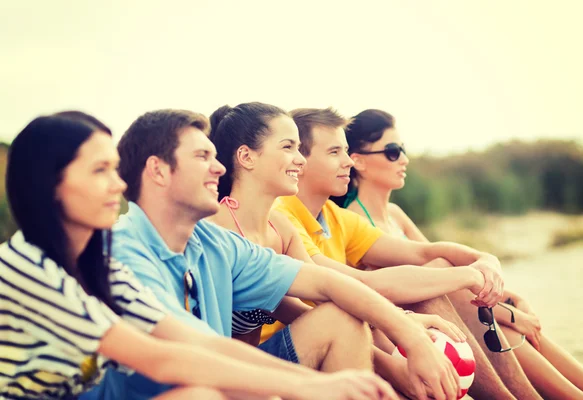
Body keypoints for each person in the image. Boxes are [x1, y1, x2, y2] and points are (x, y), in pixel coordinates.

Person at [88, 108, 460, 400]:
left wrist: (408, 335)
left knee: (340, 319)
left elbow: (329, 283)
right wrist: (306, 386)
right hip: (183, 386)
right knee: (201, 395)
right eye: (203, 156)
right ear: (158, 170)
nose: (219, 168)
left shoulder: (214, 243)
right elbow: (192, 353)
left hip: (223, 377)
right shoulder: (121, 252)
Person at [1, 111, 376, 400]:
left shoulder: (98, 267)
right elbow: (160, 358)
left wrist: (315, 384)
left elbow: (202, 343)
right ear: (50, 184)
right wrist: (307, 388)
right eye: (100, 170)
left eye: (114, 169)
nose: (117, 183)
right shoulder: (31, 268)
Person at [206, 103, 480, 399]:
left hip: (258, 365)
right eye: (288, 147)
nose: (300, 160)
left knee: (345, 313)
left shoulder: (279, 228)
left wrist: (404, 325)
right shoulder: (216, 230)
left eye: (300, 148)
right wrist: (407, 333)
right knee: (342, 316)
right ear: (246, 157)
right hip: (218, 377)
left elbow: (312, 299)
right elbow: (332, 290)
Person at [274, 107, 547, 400]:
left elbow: (422, 253)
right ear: (301, 162)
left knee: (437, 272)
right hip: (307, 347)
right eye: (334, 152)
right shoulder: (282, 216)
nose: (347, 161)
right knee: (432, 285)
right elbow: (361, 285)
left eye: (345, 151)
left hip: (351, 335)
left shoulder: (333, 215)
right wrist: (467, 276)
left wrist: (485, 260)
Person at [337, 108, 583, 400]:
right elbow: (427, 281)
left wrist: (509, 301)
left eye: (403, 150)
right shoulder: (353, 221)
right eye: (392, 151)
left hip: (454, 315)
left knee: (508, 327)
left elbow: (445, 272)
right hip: (406, 327)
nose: (404, 159)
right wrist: (508, 313)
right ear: (358, 161)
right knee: (506, 327)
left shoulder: (395, 214)